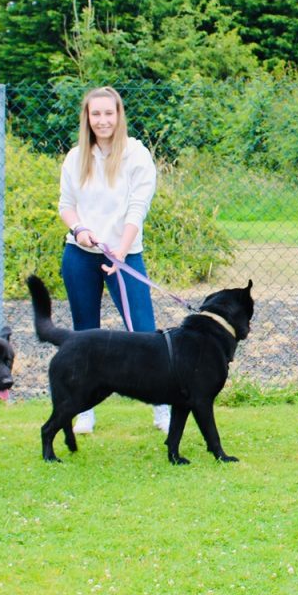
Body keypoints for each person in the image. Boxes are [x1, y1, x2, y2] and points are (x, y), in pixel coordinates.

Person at [58, 85, 169, 434]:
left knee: (144, 333)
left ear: (119, 115)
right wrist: (78, 230)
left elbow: (138, 208)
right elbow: (66, 205)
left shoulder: (137, 155)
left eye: (109, 113)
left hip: (125, 255)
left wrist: (120, 251)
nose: (103, 120)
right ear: (87, 118)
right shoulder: (76, 157)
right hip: (81, 254)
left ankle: (162, 407)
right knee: (85, 336)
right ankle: (84, 410)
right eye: (96, 114)